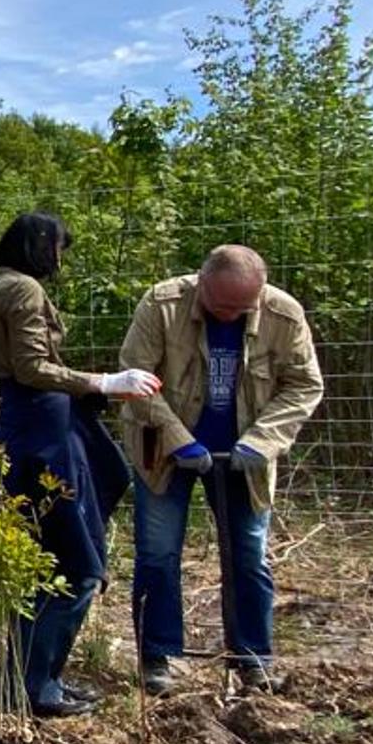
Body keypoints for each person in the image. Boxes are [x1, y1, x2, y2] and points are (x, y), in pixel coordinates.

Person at [0, 212, 162, 718]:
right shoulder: (25, 290)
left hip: (23, 429)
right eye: (58, 249)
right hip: (47, 433)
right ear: (39, 246)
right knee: (77, 566)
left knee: (43, 561)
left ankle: (32, 676)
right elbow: (33, 368)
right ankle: (37, 686)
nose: (60, 259)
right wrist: (105, 382)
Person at [120, 245, 323, 696]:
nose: (230, 315)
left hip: (244, 458)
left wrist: (263, 440)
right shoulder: (162, 304)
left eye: (241, 307)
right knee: (158, 552)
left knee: (249, 554)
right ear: (202, 283)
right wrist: (179, 440)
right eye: (220, 305)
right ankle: (158, 656)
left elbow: (305, 386)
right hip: (164, 450)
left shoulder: (284, 315)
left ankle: (252, 658)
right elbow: (134, 377)